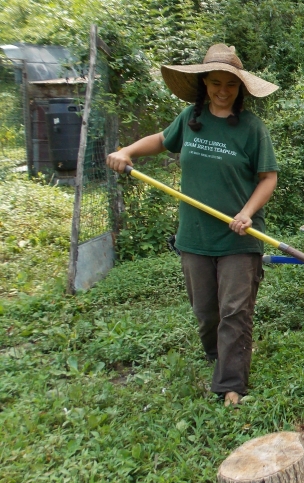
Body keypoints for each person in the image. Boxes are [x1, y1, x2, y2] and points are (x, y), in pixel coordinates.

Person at [107, 44, 280, 407]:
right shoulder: (189, 119)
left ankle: (231, 383)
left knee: (235, 309)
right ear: (204, 83)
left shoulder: (252, 129)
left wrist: (247, 212)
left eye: (230, 85)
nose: (222, 91)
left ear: (240, 88)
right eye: (215, 83)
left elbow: (268, 178)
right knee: (206, 312)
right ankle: (218, 356)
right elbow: (160, 141)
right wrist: (127, 152)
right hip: (195, 236)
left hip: (239, 235)